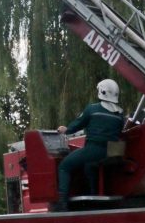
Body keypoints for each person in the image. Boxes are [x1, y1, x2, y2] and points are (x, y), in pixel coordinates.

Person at [51, 78, 125, 211]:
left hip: (94, 149)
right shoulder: (120, 114)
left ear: (102, 91)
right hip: (113, 153)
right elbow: (119, 133)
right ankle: (94, 196)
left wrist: (65, 129)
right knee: (89, 166)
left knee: (64, 166)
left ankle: (61, 203)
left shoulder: (92, 109)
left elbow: (77, 125)